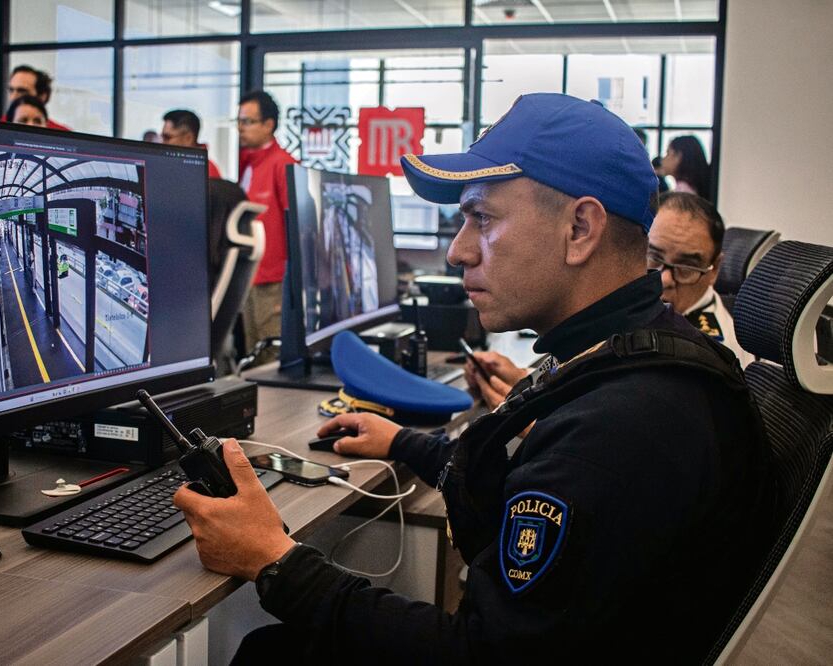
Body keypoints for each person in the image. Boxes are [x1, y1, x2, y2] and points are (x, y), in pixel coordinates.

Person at [172, 93, 774, 663]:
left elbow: (477, 655)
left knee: (268, 654)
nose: (459, 251)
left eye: (481, 218)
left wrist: (277, 563)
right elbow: (519, 471)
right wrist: (404, 444)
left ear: (581, 229)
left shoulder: (628, 425)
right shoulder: (622, 356)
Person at [649, 191, 754, 367]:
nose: (664, 280)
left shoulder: (711, 354)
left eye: (685, 268)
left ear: (715, 269)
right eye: (653, 257)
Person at [236, 90, 296, 361]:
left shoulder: (282, 164)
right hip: (249, 274)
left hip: (273, 281)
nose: (240, 127)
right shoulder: (248, 164)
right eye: (238, 120)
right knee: (252, 352)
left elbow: (295, 224)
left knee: (270, 355)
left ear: (268, 125)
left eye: (247, 121)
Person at [3, 65, 70, 131]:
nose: (13, 97)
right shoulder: (1, 126)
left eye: (22, 91)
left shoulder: (61, 135)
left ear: (42, 96)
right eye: (11, 90)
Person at [160, 109, 222, 178]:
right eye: (162, 137)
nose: (162, 142)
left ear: (188, 138)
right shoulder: (166, 164)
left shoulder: (207, 171)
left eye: (167, 137)